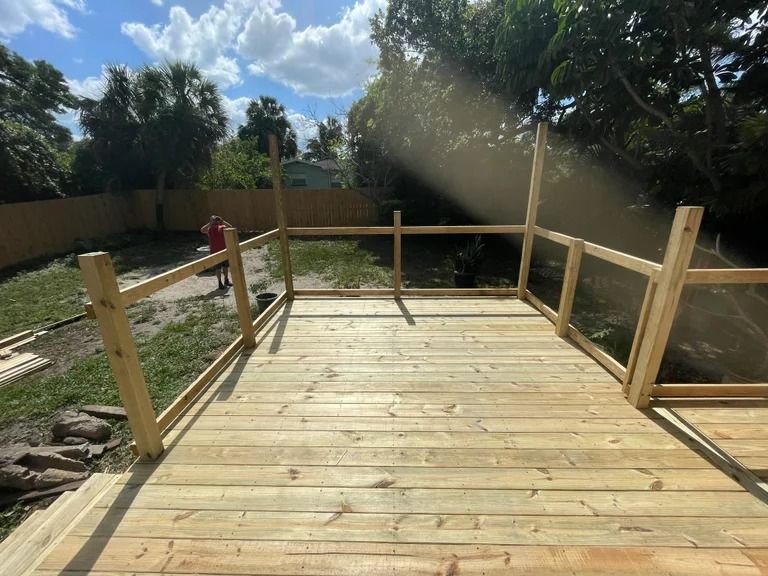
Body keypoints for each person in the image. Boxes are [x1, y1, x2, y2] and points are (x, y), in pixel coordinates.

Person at [200, 215, 233, 289]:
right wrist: (210, 223)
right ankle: (220, 282)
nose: (215, 222)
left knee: (225, 267)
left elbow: (230, 227)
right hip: (214, 252)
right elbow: (202, 230)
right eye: (213, 220)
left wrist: (222, 220)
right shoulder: (209, 229)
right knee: (218, 268)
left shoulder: (222, 227)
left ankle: (226, 280)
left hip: (224, 251)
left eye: (216, 220)